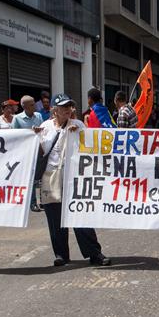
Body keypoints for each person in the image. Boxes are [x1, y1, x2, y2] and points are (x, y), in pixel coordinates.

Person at [39, 94, 111, 267]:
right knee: (55, 218)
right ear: (54, 110)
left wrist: (77, 133)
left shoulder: (78, 125)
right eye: (63, 107)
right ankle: (61, 255)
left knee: (81, 215)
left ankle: (94, 254)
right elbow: (42, 151)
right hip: (51, 176)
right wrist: (40, 136)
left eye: (69, 106)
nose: (67, 110)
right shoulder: (45, 126)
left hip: (74, 177)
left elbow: (89, 146)